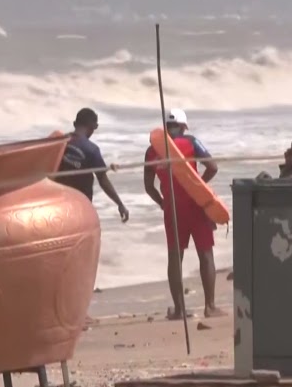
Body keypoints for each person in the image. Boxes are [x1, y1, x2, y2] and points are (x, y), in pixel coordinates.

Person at [143, 108, 223, 319]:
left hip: (172, 209)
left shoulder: (152, 150)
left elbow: (149, 186)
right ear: (183, 126)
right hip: (196, 205)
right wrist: (198, 187)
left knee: (175, 257)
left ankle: (179, 309)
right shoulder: (191, 142)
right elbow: (213, 167)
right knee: (205, 254)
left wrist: (163, 203)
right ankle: (210, 307)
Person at [55, 108, 129, 222]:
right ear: (93, 126)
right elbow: (103, 180)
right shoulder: (91, 149)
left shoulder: (58, 142)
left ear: (74, 124)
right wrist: (120, 204)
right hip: (80, 207)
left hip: (57, 204)